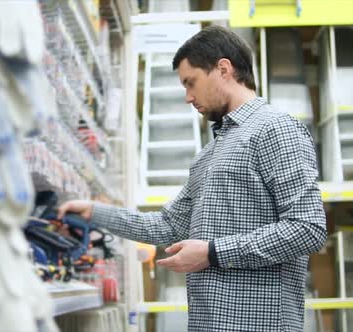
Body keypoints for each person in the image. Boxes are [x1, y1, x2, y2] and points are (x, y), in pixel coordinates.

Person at [57, 26, 326, 332]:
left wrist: (213, 253)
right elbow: (167, 226)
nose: (187, 97)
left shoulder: (275, 130)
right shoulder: (209, 154)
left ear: (223, 69)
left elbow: (308, 228)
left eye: (191, 83)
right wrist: (95, 212)